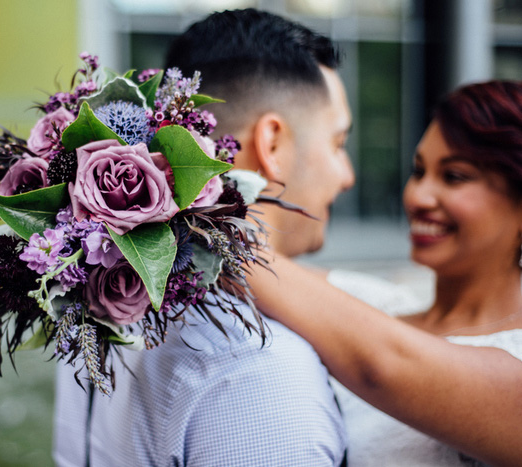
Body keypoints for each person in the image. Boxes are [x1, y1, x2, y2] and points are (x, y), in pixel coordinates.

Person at [53, 9, 355, 466]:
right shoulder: (261, 371)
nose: (347, 175)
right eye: (338, 143)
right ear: (271, 145)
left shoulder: (100, 299)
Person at [247, 80, 522, 466]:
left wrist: (205, 222)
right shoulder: (384, 305)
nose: (418, 197)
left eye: (454, 176)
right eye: (419, 171)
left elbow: (383, 365)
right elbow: (276, 275)